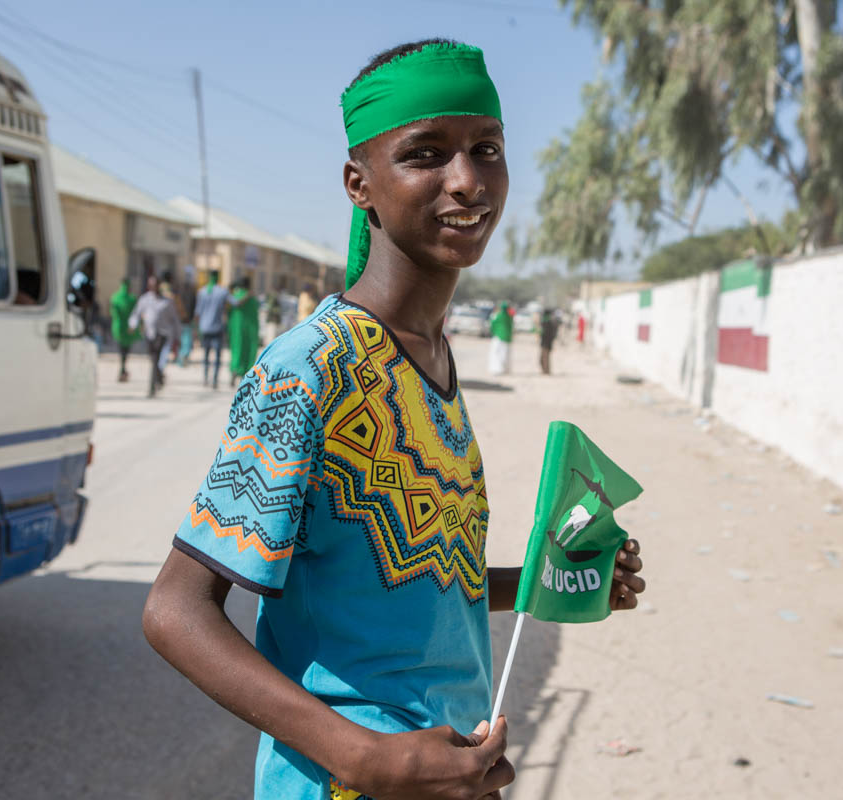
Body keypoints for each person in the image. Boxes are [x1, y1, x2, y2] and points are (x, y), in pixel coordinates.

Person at [142, 39, 646, 800]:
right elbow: (175, 611)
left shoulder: (434, 358)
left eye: (487, 149)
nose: (469, 181)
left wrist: (552, 579)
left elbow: (414, 581)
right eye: (426, 154)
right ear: (360, 184)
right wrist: (363, 756)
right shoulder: (308, 370)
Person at [129, 276, 180, 398]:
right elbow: (136, 313)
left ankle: (151, 388)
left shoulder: (167, 302)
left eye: (155, 285)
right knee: (153, 359)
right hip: (149, 333)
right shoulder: (144, 299)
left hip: (162, 334)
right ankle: (159, 377)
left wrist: (177, 337)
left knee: (155, 358)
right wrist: (132, 324)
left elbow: (174, 320)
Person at [194, 269, 229, 389]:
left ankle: (205, 378)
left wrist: (196, 329)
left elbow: (197, 312)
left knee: (206, 355)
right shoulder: (222, 292)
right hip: (217, 327)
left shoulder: (202, 292)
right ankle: (214, 380)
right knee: (218, 356)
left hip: (204, 327)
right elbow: (235, 303)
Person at [226, 277, 260, 387]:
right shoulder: (253, 299)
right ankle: (245, 377)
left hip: (236, 330)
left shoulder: (234, 297)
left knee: (236, 350)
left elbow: (228, 313)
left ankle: (234, 371)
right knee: (248, 352)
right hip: (250, 331)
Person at [109, 278, 138, 382]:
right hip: (128, 328)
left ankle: (122, 370)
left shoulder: (115, 298)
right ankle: (123, 369)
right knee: (125, 351)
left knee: (121, 350)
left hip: (118, 328)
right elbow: (135, 314)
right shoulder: (132, 299)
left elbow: (112, 313)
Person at [176, 266, 198, 366]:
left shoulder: (180, 290)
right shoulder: (192, 292)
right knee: (187, 340)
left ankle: (181, 358)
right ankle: (183, 356)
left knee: (183, 339)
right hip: (187, 320)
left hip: (182, 319)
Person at [487, 300, 512, 375]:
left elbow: (492, 325)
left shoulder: (497, 316)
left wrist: (493, 332)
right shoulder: (509, 317)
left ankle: (497, 369)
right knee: (505, 354)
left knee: (496, 353)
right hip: (507, 338)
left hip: (498, 337)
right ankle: (504, 369)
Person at [538, 308, 560, 375]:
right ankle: (546, 370)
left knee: (544, 358)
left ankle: (546, 371)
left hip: (546, 343)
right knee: (544, 358)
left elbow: (545, 333)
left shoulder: (547, 322)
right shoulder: (550, 322)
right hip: (547, 343)